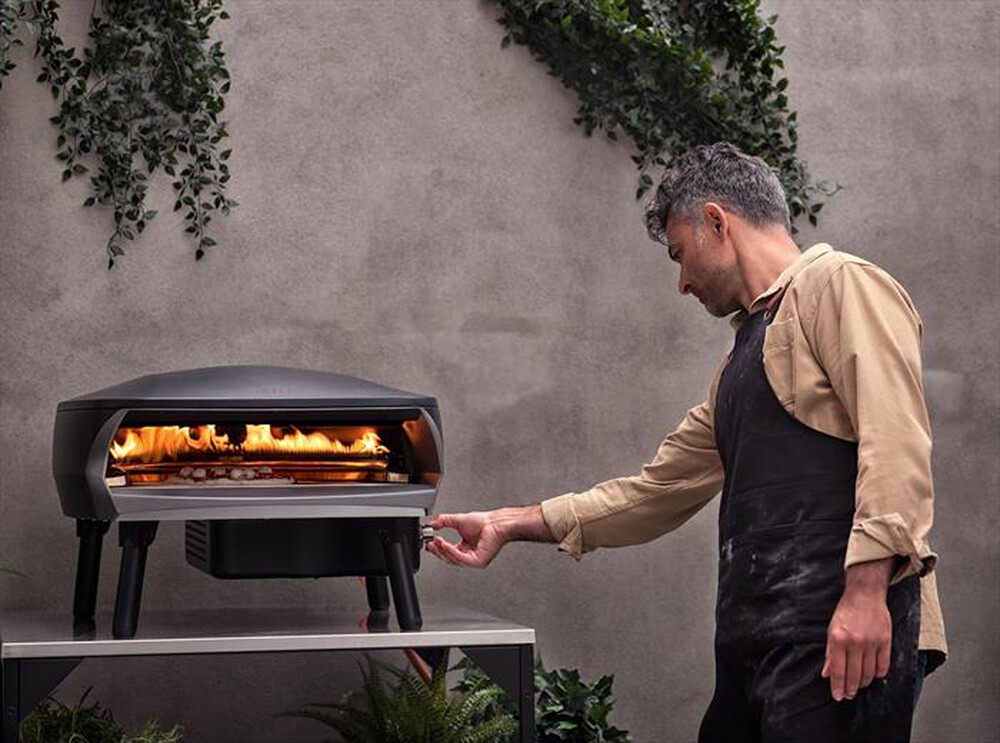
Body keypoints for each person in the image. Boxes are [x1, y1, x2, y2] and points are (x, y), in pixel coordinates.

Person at [425, 142, 945, 742]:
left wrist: (865, 595)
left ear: (718, 222)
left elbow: (895, 441)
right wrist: (509, 523)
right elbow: (656, 491)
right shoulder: (742, 359)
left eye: (680, 254)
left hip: (842, 642)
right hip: (756, 646)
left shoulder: (841, 285)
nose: (682, 282)